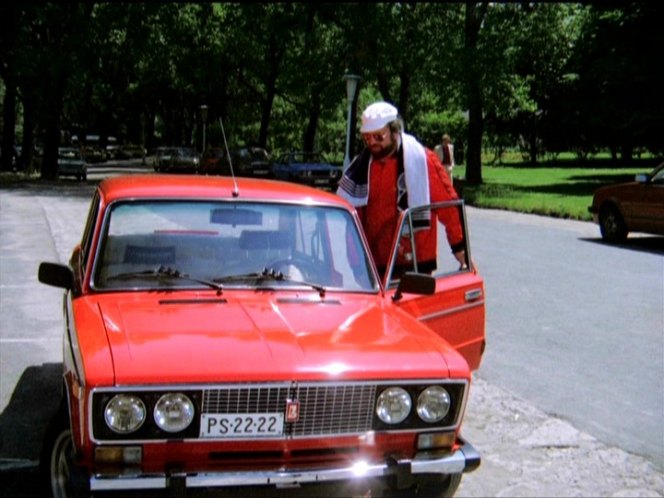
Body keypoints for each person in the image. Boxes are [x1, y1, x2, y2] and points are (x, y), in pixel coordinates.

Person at [337, 101, 466, 278]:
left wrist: (460, 249)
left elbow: (448, 205)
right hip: (374, 268)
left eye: (379, 137)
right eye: (367, 138)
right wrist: (356, 262)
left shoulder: (421, 160)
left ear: (395, 131)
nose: (373, 142)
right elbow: (353, 217)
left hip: (414, 264)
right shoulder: (359, 170)